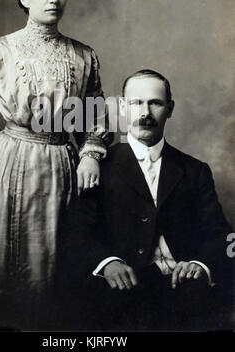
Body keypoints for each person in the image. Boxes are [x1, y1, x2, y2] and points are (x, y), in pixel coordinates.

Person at [0, 0, 113, 330]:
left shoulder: (83, 56)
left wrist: (91, 153)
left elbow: (95, 117)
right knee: (0, 274)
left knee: (53, 275)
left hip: (61, 163)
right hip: (6, 164)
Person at [63, 69, 233, 331]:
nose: (145, 113)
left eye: (155, 103)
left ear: (170, 109)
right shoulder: (100, 167)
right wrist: (108, 263)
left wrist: (200, 265)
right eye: (135, 103)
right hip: (121, 289)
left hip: (184, 290)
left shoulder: (194, 169)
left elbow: (220, 233)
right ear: (121, 108)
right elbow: (76, 233)